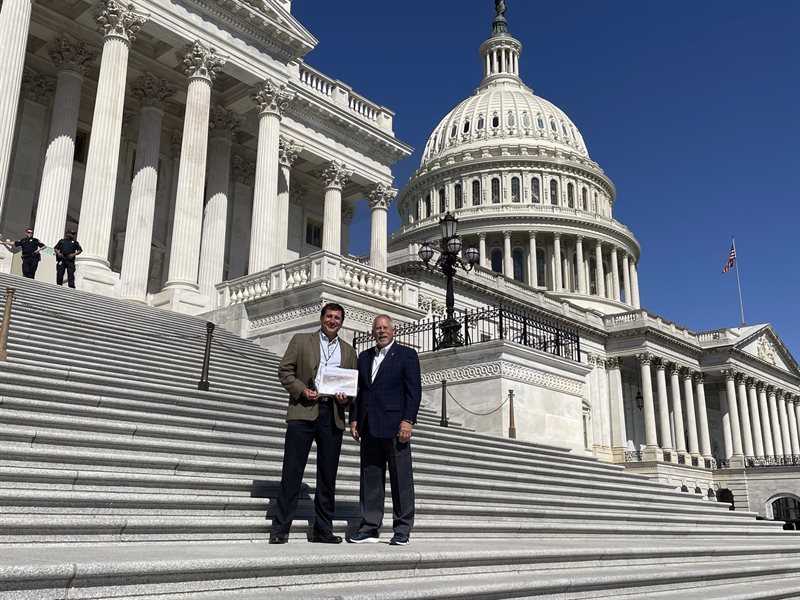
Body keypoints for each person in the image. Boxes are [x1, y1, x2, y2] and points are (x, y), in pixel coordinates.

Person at [270, 302, 358, 544]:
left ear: (341, 322)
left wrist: (345, 398)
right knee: (292, 471)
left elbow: (352, 387)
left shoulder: (349, 351)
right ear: (321, 319)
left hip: (333, 414)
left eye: (337, 318)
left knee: (328, 475)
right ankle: (281, 528)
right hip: (303, 410)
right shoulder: (300, 340)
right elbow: (284, 371)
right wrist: (302, 390)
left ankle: (322, 529)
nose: (332, 321)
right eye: (329, 316)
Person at [348, 314, 421, 546]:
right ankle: (370, 526)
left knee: (401, 479)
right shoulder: (364, 356)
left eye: (385, 328)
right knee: (370, 479)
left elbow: (413, 391)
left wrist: (408, 420)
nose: (381, 331)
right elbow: (359, 390)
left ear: (393, 331)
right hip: (369, 425)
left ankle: (402, 528)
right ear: (372, 332)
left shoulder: (407, 355)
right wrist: (354, 419)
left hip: (395, 426)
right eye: (377, 328)